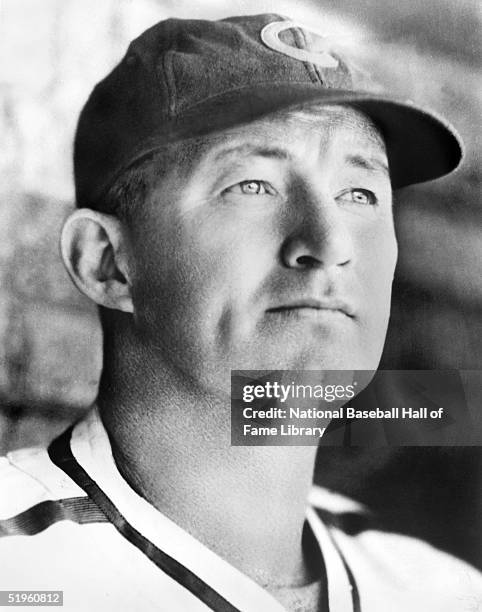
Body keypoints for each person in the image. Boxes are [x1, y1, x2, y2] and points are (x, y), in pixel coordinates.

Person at [0, 13, 480, 612]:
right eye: (253, 185)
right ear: (108, 263)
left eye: (359, 194)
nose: (331, 245)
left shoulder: (446, 592)